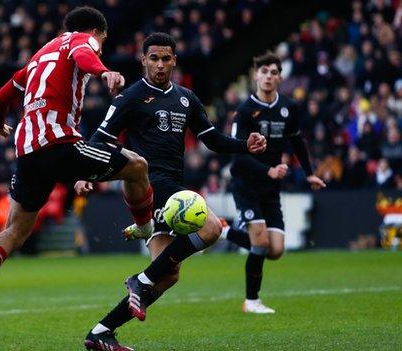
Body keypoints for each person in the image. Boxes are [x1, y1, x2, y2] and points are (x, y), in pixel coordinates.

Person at [0, 7, 156, 340]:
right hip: (58, 142)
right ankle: (149, 233)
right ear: (97, 32)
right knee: (137, 166)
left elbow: (2, 95)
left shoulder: (39, 55)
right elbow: (84, 53)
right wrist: (104, 72)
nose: (97, 44)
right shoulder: (82, 40)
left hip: (27, 150)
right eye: (99, 39)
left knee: (15, 230)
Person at [76, 32, 267, 351]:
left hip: (171, 186)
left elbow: (212, 139)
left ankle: (100, 332)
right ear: (143, 61)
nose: (160, 65)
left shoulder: (186, 98)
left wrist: (244, 145)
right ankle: (140, 280)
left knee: (168, 275)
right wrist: (88, 174)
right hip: (150, 183)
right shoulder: (130, 98)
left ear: (175, 61)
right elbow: (100, 138)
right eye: (154, 58)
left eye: (166, 59)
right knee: (210, 227)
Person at [221, 52, 326, 313]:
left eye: (274, 72)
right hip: (246, 183)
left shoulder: (288, 107)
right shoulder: (245, 111)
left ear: (280, 77)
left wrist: (310, 172)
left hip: (271, 187)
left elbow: (298, 140)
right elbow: (238, 157)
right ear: (256, 75)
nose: (268, 76)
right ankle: (252, 301)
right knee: (259, 242)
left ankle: (225, 231)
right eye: (264, 72)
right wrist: (268, 171)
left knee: (275, 249)